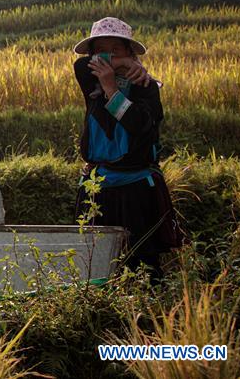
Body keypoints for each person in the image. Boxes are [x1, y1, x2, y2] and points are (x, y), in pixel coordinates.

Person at [72, 17, 181, 282]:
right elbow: (80, 64)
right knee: (94, 259)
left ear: (130, 51)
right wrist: (121, 64)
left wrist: (111, 88)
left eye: (115, 50)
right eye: (100, 51)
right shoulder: (91, 80)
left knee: (141, 260)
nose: (106, 57)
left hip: (135, 189)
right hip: (99, 185)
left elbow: (139, 125)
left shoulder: (146, 88)